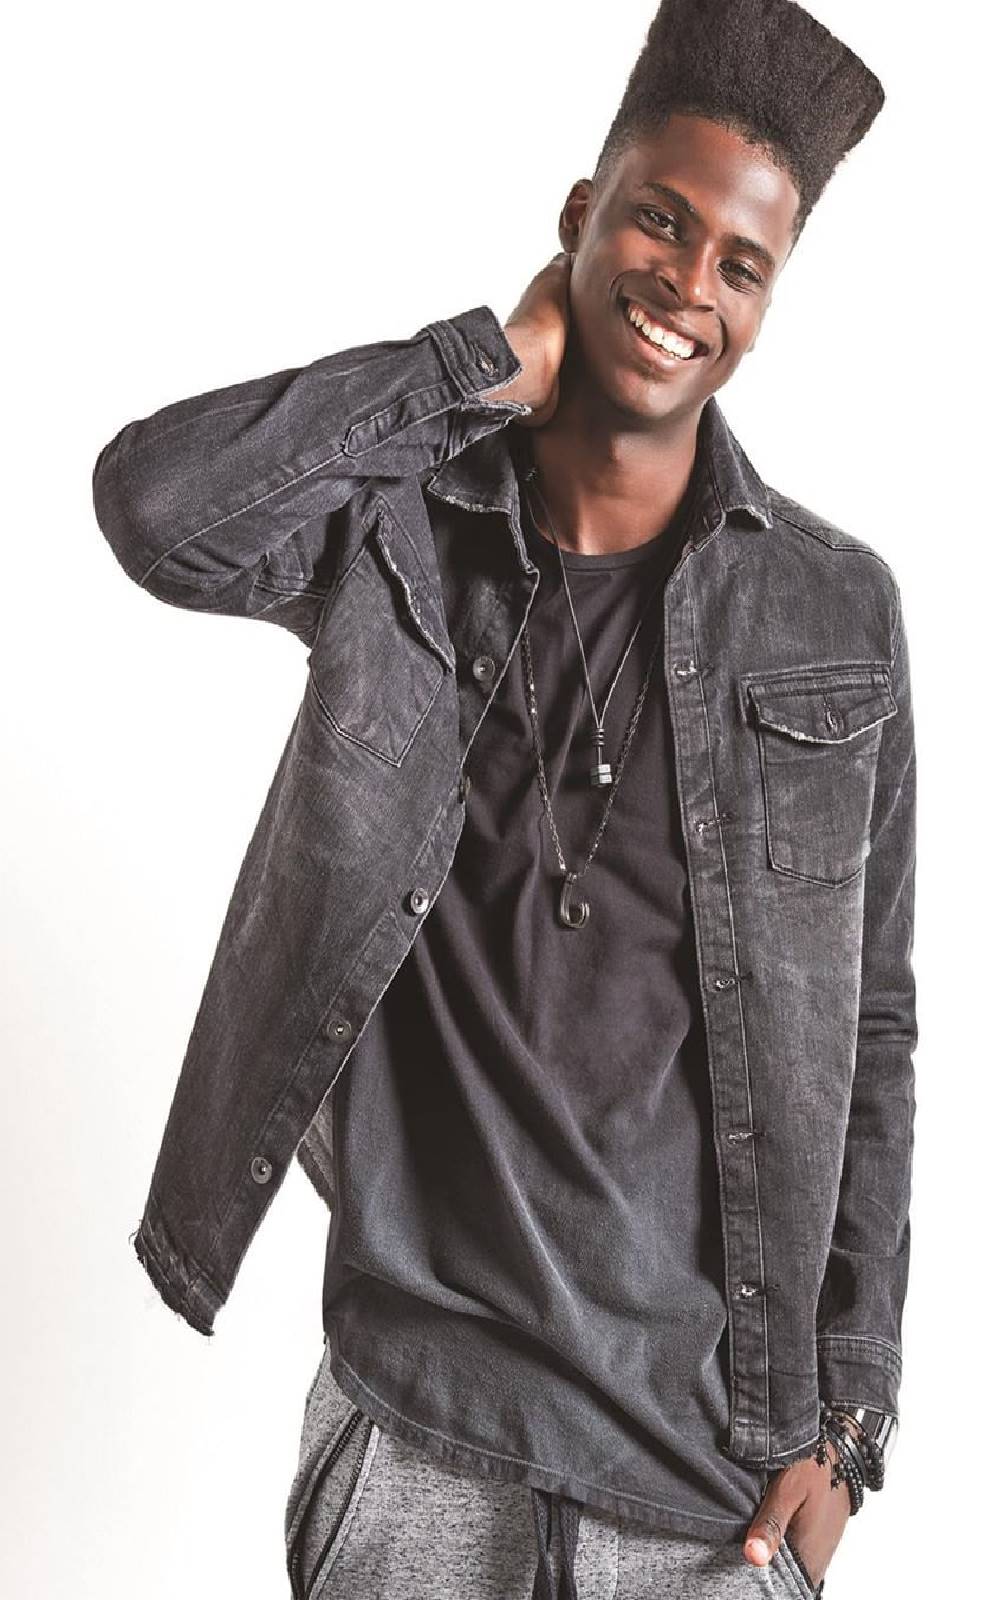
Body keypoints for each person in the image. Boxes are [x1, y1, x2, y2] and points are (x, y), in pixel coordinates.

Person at [91, 1, 917, 1595]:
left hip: (708, 1479)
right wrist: (478, 363)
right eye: (659, 221)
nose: (688, 285)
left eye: (742, 265)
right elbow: (157, 509)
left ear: (768, 303)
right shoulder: (400, 530)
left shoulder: (833, 611)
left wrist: (853, 1416)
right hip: (417, 1425)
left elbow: (872, 1023)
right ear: (580, 216)